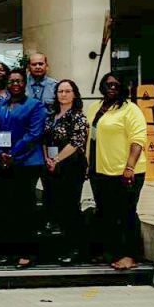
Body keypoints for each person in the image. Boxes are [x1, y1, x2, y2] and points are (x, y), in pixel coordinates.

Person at [86, 73, 147, 271]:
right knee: (106, 213)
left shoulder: (131, 109)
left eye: (116, 85)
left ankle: (131, 255)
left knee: (127, 212)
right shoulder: (96, 108)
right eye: (108, 84)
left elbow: (138, 139)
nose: (112, 87)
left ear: (123, 88)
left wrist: (129, 167)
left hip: (126, 171)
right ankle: (111, 251)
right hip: (100, 171)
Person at [0, 68, 47, 268]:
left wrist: (13, 154)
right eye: (11, 81)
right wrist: (1, 153)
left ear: (25, 83)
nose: (15, 84)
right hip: (4, 162)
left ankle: (28, 252)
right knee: (6, 207)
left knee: (25, 208)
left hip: (27, 162)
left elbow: (34, 134)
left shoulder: (35, 106)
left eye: (19, 81)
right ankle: (9, 251)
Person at [43, 79, 88, 266]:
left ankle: (76, 248)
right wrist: (48, 159)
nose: (63, 94)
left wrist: (57, 159)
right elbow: (44, 139)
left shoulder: (78, 117)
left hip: (71, 165)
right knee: (57, 206)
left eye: (67, 91)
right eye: (60, 91)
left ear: (74, 94)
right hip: (51, 166)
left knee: (70, 206)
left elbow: (76, 142)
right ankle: (61, 247)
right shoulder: (51, 116)